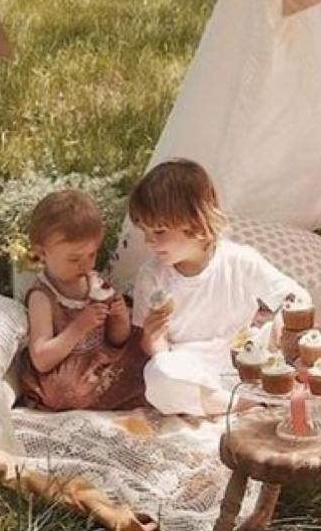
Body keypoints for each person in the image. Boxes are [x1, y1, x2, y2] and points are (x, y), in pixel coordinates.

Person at [130, 159, 307, 416]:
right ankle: (242, 404)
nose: (148, 241)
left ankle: (236, 399)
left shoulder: (238, 260)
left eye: (158, 231)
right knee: (158, 375)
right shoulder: (151, 276)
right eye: (144, 231)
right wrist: (152, 338)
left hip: (246, 357)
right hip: (190, 368)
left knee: (303, 330)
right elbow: (157, 352)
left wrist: (283, 318)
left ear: (196, 222)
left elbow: (295, 296)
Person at [19, 189, 145, 411]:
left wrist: (119, 318)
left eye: (92, 255)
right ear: (42, 253)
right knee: (64, 391)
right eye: (74, 258)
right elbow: (41, 359)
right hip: (68, 370)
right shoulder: (42, 297)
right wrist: (79, 327)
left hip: (100, 363)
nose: (86, 266)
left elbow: (116, 340)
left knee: (142, 355)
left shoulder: (94, 282)